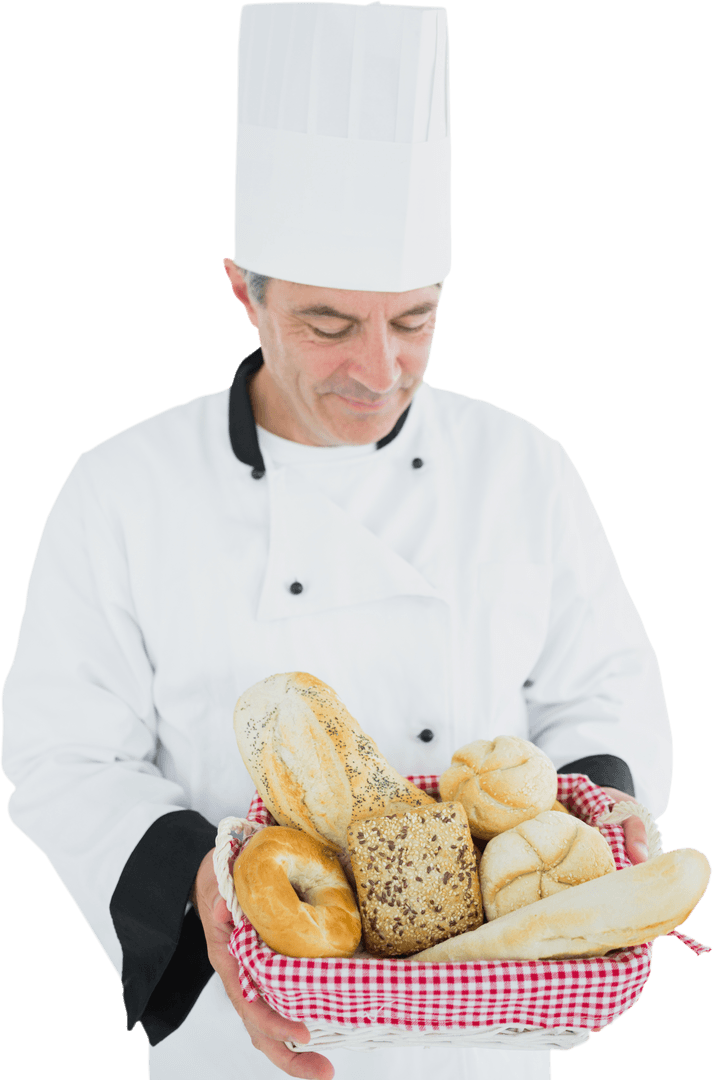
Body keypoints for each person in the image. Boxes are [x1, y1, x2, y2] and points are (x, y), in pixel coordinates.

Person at [1, 4, 672, 1080]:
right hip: (245, 1035)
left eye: (413, 320)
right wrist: (199, 889)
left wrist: (609, 805)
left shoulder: (521, 468)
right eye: (325, 324)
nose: (377, 371)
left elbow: (598, 694)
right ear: (243, 292)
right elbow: (62, 752)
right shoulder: (121, 490)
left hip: (487, 1037)